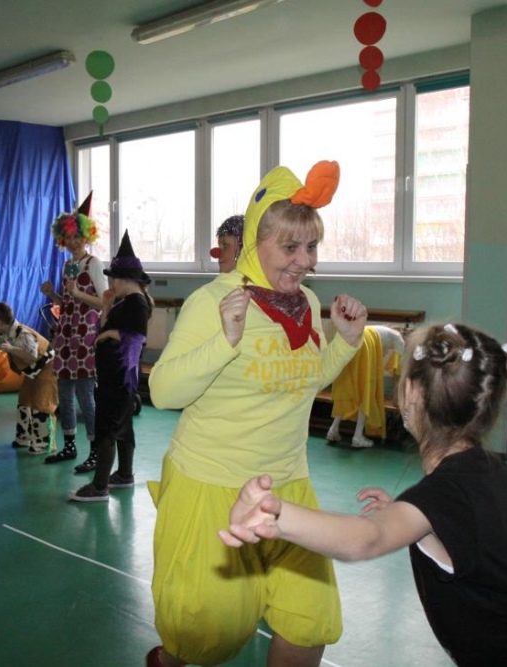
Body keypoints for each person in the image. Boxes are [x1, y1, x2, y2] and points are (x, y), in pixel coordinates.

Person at [221, 322, 507, 667]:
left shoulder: (441, 495)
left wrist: (276, 515)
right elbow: (479, 540)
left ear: (411, 393)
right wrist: (415, 522)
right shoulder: (492, 473)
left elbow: (365, 539)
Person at [146, 161, 367, 667]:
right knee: (202, 632)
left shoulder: (305, 301)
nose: (304, 262)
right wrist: (224, 342)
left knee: (309, 622)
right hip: (213, 485)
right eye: (290, 248)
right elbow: (162, 391)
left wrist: (346, 343)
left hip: (288, 486)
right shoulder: (214, 301)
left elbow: (300, 383)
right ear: (254, 242)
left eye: (312, 247)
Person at [69, 231, 153, 502]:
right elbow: (105, 325)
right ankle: (125, 474)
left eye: (113, 278)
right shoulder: (123, 301)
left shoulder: (137, 303)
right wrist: (105, 306)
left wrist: (107, 335)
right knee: (123, 426)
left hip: (120, 377)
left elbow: (135, 338)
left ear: (124, 279)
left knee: (107, 428)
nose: (111, 283)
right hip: (111, 376)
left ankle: (100, 486)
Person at [39, 193, 106, 471]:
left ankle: (96, 452)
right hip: (65, 338)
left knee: (85, 397)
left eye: (78, 236)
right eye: (68, 237)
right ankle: (69, 446)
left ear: (86, 236)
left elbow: (104, 302)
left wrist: (78, 293)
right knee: (64, 396)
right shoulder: (67, 266)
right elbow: (68, 302)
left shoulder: (94, 264)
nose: (73, 241)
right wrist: (53, 295)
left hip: (86, 339)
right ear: (62, 239)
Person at [0, 302, 58, 454]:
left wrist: (12, 349)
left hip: (47, 367)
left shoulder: (23, 334)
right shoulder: (7, 331)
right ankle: (24, 436)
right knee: (24, 402)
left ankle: (43, 443)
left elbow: (32, 355)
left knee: (42, 404)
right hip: (33, 370)